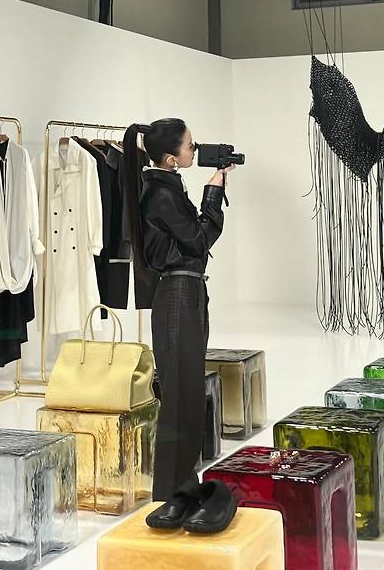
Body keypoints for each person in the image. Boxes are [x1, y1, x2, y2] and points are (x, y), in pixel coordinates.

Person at [123, 118, 234, 502]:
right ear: (171, 159)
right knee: (178, 401)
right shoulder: (161, 195)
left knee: (188, 397)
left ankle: (183, 488)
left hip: (187, 293)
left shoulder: (166, 188)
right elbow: (199, 240)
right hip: (177, 297)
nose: (195, 150)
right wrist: (213, 193)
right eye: (190, 146)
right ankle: (170, 496)